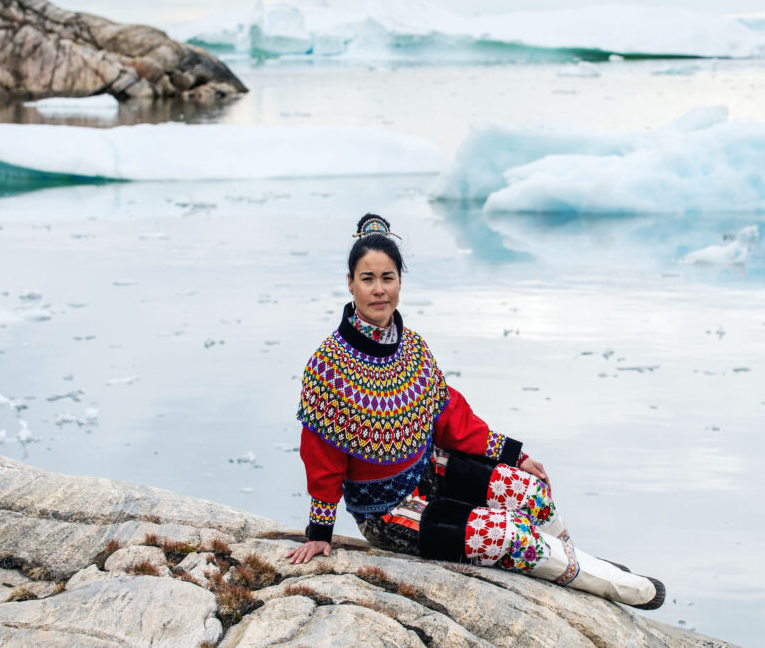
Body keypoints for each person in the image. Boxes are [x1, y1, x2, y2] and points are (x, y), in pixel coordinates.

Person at [284, 213, 665, 609]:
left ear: (400, 281)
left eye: (388, 278)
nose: (379, 290)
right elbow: (321, 458)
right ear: (350, 284)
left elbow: (450, 417)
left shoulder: (412, 347)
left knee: (529, 491)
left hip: (428, 472)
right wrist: (319, 532)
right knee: (509, 536)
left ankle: (581, 563)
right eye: (368, 279)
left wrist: (515, 455)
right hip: (388, 514)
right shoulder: (329, 367)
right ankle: (613, 585)